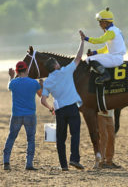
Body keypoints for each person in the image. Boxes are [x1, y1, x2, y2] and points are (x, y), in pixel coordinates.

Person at [40, 31, 85, 171]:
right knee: (75, 134)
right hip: (72, 107)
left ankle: (63, 165)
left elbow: (43, 100)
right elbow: (78, 57)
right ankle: (74, 158)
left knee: (60, 138)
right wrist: (82, 41)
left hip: (59, 111)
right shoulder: (66, 71)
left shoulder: (48, 82)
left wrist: (50, 108)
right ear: (55, 66)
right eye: (57, 63)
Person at [3, 61, 43, 171]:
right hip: (30, 115)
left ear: (17, 71)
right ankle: (28, 163)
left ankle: (6, 162)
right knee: (30, 139)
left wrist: (11, 76)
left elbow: (9, 86)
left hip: (16, 114)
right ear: (27, 70)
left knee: (11, 137)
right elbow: (40, 95)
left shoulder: (13, 83)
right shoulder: (33, 83)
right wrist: (41, 85)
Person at [80, 7, 126, 84]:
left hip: (115, 59)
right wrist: (94, 52)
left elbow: (100, 40)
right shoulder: (115, 30)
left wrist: (86, 38)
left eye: (100, 22)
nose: (99, 24)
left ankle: (106, 75)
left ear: (106, 22)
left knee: (89, 60)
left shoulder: (111, 32)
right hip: (116, 57)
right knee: (91, 57)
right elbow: (106, 48)